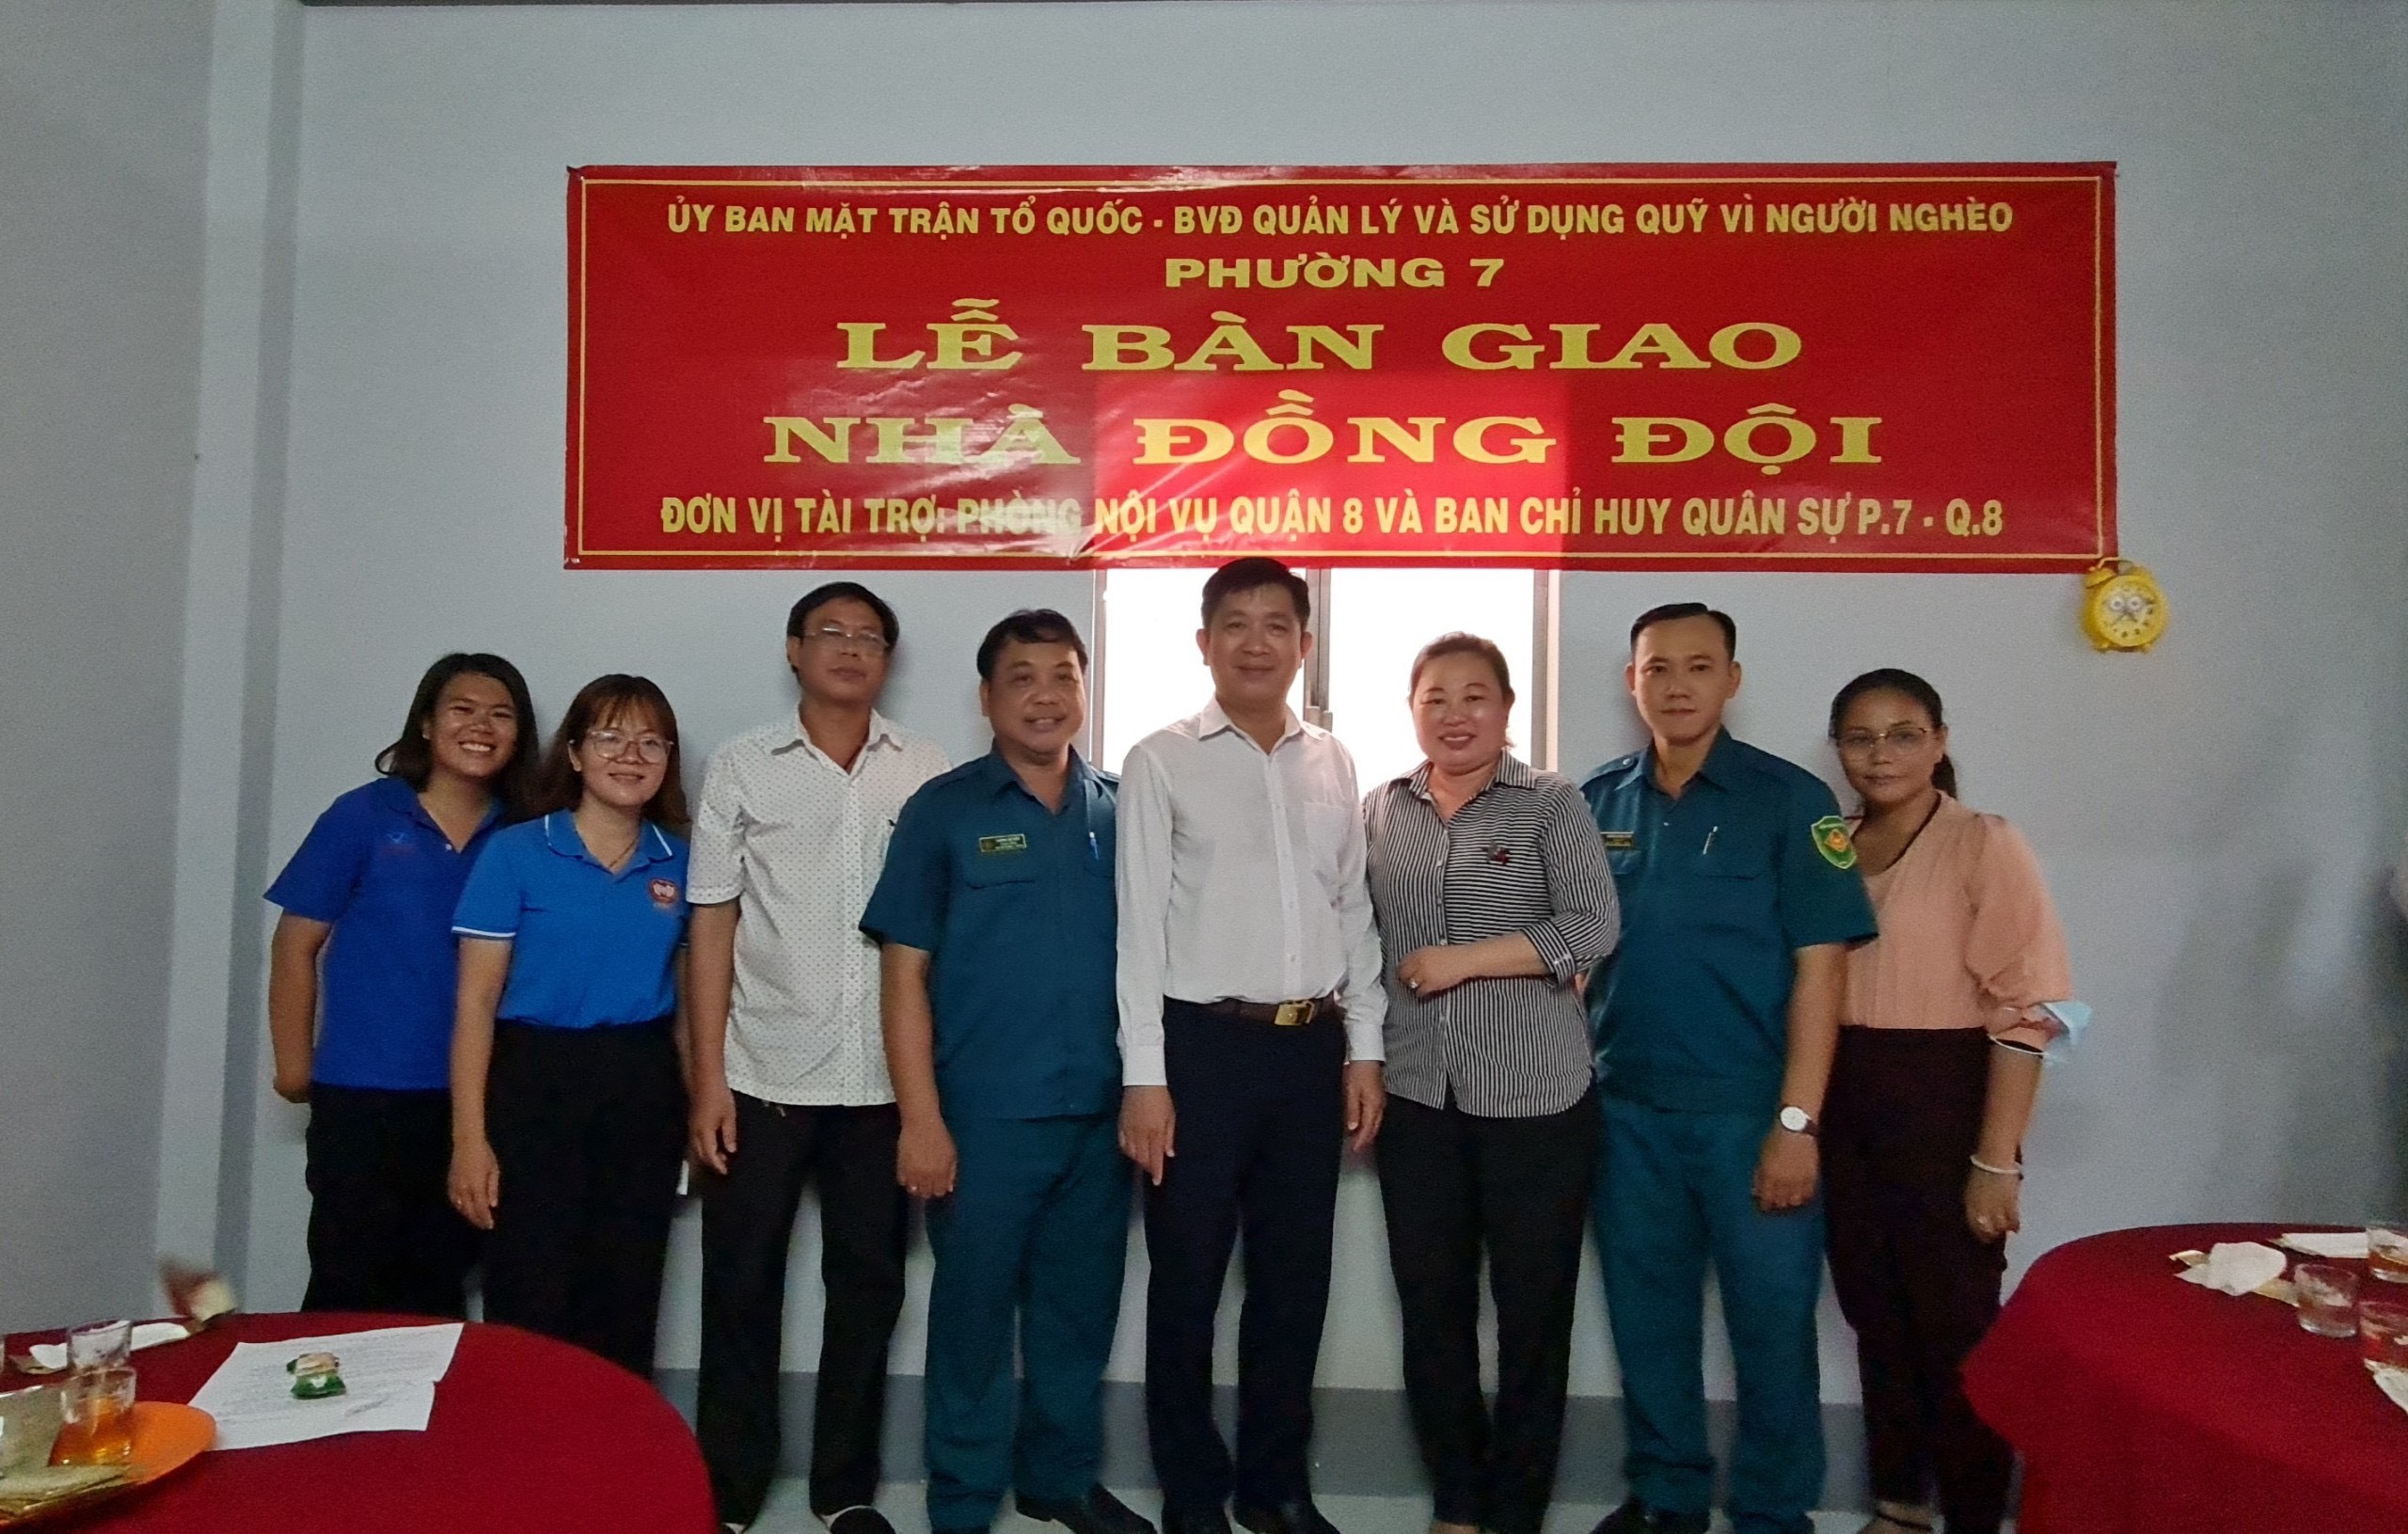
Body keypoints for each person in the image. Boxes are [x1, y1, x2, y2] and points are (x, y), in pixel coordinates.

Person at [1580, 604, 1877, 1534]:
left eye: (1698, 666)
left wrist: (1797, 1123)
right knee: (1647, 1318)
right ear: (1632, 681)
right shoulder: (1596, 801)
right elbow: (1569, 952)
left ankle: (1772, 1509)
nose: (1676, 685)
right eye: (1657, 667)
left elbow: (1822, 970)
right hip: (1626, 1111)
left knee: (1771, 1324)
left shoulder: (1790, 799)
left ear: (1731, 679)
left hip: (1750, 1114)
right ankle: (1666, 1494)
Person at [862, 609, 1151, 1534]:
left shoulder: (1122, 810)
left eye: (1063, 674)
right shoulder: (943, 810)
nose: (1044, 695)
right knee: (974, 1315)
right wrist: (921, 1119)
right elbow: (902, 974)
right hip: (982, 1119)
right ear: (987, 698)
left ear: (1084, 689)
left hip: (1098, 1116)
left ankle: (1059, 1478)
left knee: (1078, 1312)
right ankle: (962, 1496)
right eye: (1021, 677)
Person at [1117, 556, 1387, 1534]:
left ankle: (1275, 1485)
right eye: (1236, 623)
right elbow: (1138, 929)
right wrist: (1145, 1077)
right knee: (1188, 1279)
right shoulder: (1159, 758)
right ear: (1204, 642)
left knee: (1293, 1279)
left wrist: (1365, 1047)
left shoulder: (1334, 761)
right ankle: (1192, 1490)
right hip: (1199, 1051)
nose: (1257, 642)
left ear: (1304, 643)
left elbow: (1351, 906)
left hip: (1309, 1051)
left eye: (1278, 624)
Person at [686, 583, 950, 1534]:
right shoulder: (742, 765)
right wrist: (706, 1080)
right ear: (794, 649)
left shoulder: (926, 770)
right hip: (760, 1074)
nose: (849, 647)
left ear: (887, 658)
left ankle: (844, 1488)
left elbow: (944, 929)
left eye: (868, 636)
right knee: (740, 1283)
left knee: (869, 1288)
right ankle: (729, 1486)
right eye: (829, 632)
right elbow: (711, 923)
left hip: (882, 1083)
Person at [1363, 634, 1620, 1534]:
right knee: (1431, 1312)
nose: (1455, 713)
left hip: (1537, 1102)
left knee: (1532, 1319)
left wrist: (1464, 959)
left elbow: (1593, 925)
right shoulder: (1381, 808)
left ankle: (1516, 1511)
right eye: (1435, 697)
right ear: (1412, 709)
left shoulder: (1550, 802)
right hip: (1417, 1099)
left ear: (1507, 708)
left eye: (1475, 695)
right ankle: (1458, 1502)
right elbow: (1358, 936)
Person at [1820, 669, 2080, 1534]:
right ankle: (1900, 1505)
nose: (1881, 754)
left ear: (1938, 741)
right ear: (1838, 749)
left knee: (1956, 1325)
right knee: (1874, 1313)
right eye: (1861, 737)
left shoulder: (1983, 842)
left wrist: (1995, 1160)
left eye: (1903, 734)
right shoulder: (1831, 845)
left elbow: (2028, 1008)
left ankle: (1973, 1513)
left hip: (1946, 1101)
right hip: (1844, 1100)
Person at [264, 652, 539, 1318]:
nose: (481, 727)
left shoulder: (526, 833)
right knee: (348, 1280)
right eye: (462, 710)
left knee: (440, 1287)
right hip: (365, 1091)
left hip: (477, 1098)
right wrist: (294, 1066)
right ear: (425, 723)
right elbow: (295, 945)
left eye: (500, 715)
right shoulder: (362, 815)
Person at [446, 673, 693, 1377]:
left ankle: (615, 1444)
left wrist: (699, 1098)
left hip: (642, 1082)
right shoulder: (517, 852)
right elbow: (474, 1004)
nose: (631, 755)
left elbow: (690, 1003)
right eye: (611, 737)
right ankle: (527, 1445)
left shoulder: (681, 861)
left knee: (628, 1285)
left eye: (651, 741)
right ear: (576, 753)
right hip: (533, 1079)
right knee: (530, 1285)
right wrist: (469, 1140)